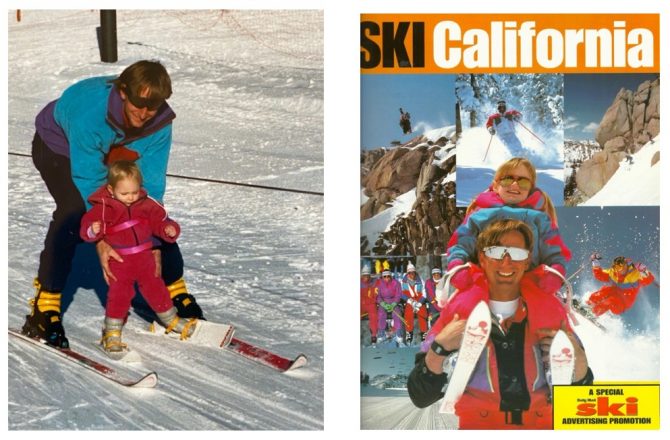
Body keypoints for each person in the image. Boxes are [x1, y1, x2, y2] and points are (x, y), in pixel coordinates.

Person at [22, 60, 203, 348]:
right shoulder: (89, 114)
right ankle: (45, 306)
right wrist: (102, 236)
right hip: (59, 146)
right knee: (74, 212)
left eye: (152, 107)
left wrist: (154, 241)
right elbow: (88, 181)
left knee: (143, 208)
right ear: (122, 92)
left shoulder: (158, 123)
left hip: (113, 146)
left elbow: (152, 188)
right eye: (138, 105)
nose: (144, 114)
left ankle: (174, 290)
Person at [407, 219, 593, 429]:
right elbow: (419, 396)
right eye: (497, 252)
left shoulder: (550, 311)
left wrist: (580, 362)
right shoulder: (457, 312)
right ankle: (453, 364)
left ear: (527, 260)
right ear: (482, 258)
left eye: (517, 253)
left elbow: (581, 398)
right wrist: (439, 349)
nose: (507, 262)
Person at [80, 161, 196, 353]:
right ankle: (112, 331)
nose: (130, 198)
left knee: (156, 288)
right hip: (119, 261)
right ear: (111, 189)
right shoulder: (103, 208)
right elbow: (86, 228)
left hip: (144, 259)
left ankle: (171, 319)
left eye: (134, 192)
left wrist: (168, 229)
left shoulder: (146, 204)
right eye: (124, 193)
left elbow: (160, 220)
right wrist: (93, 231)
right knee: (119, 295)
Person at [446, 157, 571, 297]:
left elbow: (556, 252)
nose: (515, 185)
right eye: (507, 179)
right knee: (462, 311)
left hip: (530, 285)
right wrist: (457, 266)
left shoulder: (540, 219)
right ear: (495, 185)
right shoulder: (479, 216)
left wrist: (555, 273)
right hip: (484, 284)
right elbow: (460, 244)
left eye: (523, 181)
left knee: (544, 314)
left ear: (530, 188)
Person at [587, 253, 655, 316]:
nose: (619, 270)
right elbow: (600, 275)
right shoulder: (613, 272)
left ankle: (593, 313)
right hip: (614, 292)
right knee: (602, 292)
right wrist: (595, 263)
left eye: (621, 267)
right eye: (616, 268)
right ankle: (588, 305)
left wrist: (644, 271)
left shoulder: (635, 275)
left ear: (626, 266)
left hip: (623, 301)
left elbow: (649, 280)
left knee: (610, 301)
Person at [400, 263, 427, 344]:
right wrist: (409, 301)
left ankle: (424, 333)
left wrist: (420, 303)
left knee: (422, 312)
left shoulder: (420, 280)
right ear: (407, 273)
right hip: (410, 301)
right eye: (410, 273)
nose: (412, 275)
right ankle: (409, 333)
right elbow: (401, 293)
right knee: (408, 314)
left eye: (413, 273)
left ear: (415, 273)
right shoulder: (403, 281)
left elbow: (424, 293)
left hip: (419, 300)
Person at [375, 270, 403, 343]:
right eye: (385, 276)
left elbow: (398, 294)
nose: (387, 278)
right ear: (382, 277)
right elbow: (377, 296)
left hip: (393, 301)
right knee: (381, 314)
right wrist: (382, 303)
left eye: (388, 276)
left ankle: (398, 333)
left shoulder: (396, 283)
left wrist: (394, 303)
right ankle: (381, 333)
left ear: (391, 276)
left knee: (397, 313)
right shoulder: (379, 284)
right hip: (384, 301)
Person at [360, 265, 379, 345]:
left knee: (374, 316)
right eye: (364, 275)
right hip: (362, 304)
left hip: (371, 304)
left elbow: (376, 294)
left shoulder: (375, 282)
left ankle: (374, 335)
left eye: (367, 275)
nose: (366, 277)